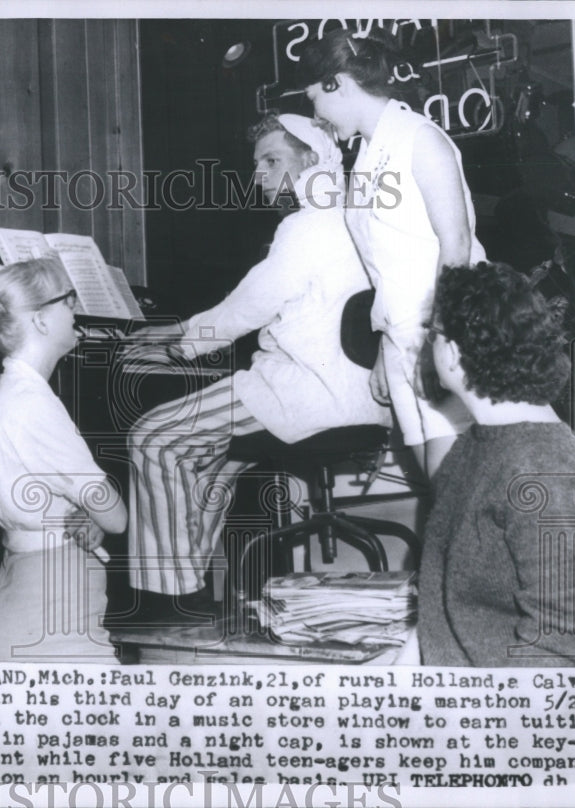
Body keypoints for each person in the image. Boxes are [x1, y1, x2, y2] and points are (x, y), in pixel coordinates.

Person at [124, 114, 387, 616]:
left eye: (272, 161)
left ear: (313, 160)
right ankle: (193, 592)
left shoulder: (306, 225)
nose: (259, 175)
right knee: (213, 463)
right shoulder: (357, 216)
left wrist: (179, 343)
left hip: (307, 395)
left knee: (152, 438)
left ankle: (169, 601)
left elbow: (249, 307)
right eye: (257, 164)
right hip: (362, 403)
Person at [295, 29, 487, 477]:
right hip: (403, 337)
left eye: (314, 100)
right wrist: (387, 343)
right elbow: (387, 264)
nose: (316, 115)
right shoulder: (365, 156)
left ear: (337, 83)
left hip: (446, 336)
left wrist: (436, 343)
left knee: (458, 483)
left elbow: (455, 245)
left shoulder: (421, 138)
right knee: (434, 479)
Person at [418, 262, 575, 666]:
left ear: (455, 354)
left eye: (432, 334)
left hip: (534, 708)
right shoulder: (474, 448)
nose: (426, 346)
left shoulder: (543, 471)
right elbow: (436, 605)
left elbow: (560, 647)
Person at [0, 257, 128, 661]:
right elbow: (116, 516)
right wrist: (98, 514)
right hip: (53, 604)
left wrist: (87, 515)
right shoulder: (34, 406)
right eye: (68, 301)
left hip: (20, 587)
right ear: (39, 320)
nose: (76, 311)